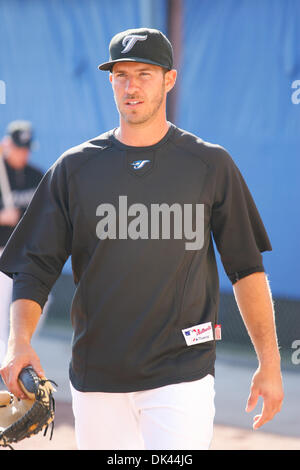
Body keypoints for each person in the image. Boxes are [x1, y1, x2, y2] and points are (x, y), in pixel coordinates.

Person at [0, 28, 283, 450]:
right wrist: (18, 342)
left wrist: (271, 361)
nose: (132, 86)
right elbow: (34, 266)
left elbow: (246, 268)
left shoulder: (210, 165)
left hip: (181, 373)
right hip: (96, 376)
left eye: (145, 73)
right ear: (110, 81)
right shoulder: (74, 169)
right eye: (122, 75)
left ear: (169, 79)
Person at [0, 121, 44, 366]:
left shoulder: (36, 176)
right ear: (7, 145)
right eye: (17, 148)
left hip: (26, 254)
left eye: (25, 149)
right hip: (1, 254)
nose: (22, 153)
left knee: (37, 304)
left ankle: (18, 353)